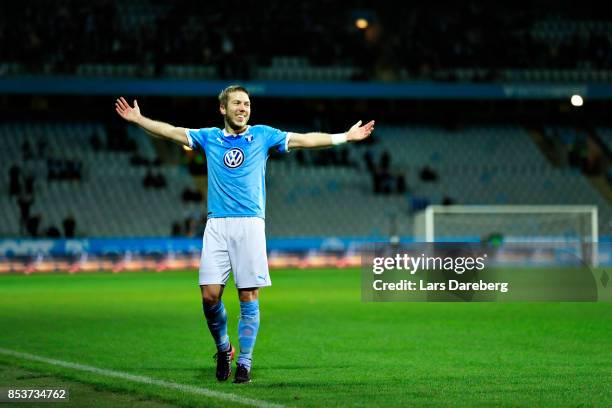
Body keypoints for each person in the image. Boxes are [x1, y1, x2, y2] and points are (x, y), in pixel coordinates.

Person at [114, 85, 375, 384]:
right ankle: (224, 348)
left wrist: (346, 136)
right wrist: (139, 119)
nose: (243, 108)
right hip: (217, 225)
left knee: (248, 295)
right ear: (222, 109)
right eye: (237, 103)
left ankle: (245, 363)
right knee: (209, 296)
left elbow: (304, 140)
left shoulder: (262, 135)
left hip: (250, 224)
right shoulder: (209, 137)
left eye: (247, 103)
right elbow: (171, 132)